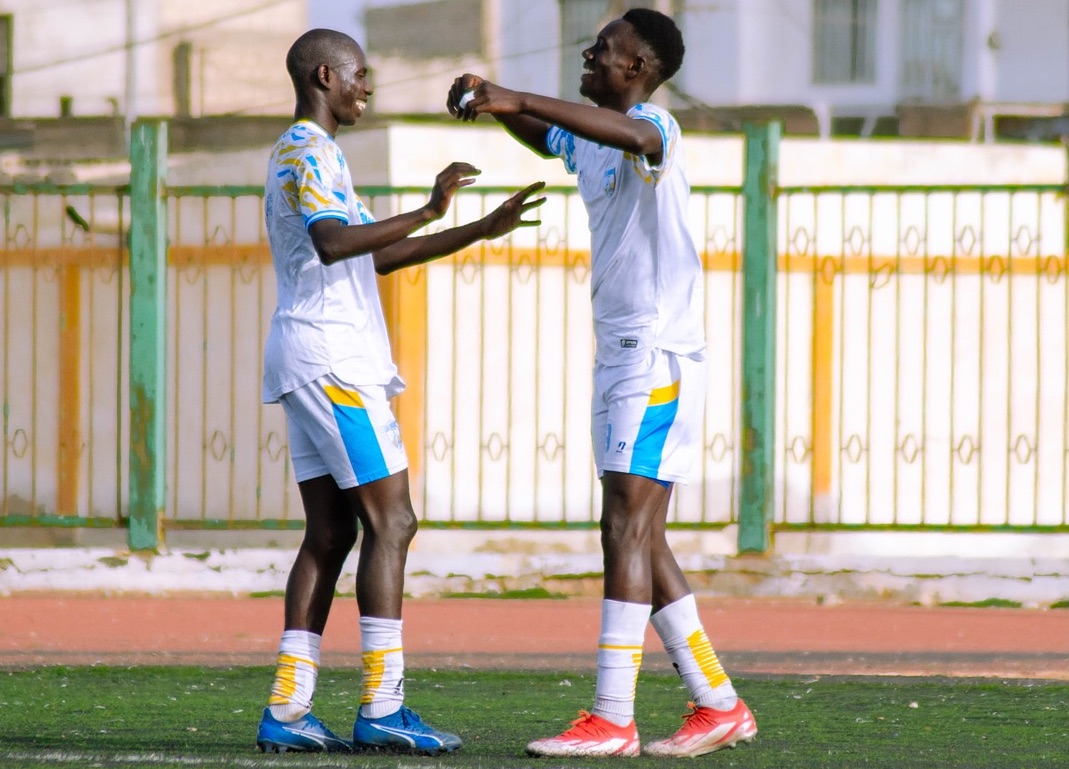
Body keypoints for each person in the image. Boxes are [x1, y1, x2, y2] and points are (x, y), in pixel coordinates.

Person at [447, 8, 756, 759]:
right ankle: (716, 701)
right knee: (638, 534)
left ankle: (612, 716)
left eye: (604, 49)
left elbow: (624, 136)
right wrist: (499, 110)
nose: (589, 54)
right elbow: (554, 137)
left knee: (624, 525)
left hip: (656, 355)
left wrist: (508, 94)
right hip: (620, 353)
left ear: (637, 69)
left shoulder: (654, 128)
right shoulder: (589, 134)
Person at [255, 28, 544, 756]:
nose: (368, 88)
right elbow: (331, 242)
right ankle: (383, 705)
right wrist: (427, 207)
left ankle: (288, 709)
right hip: (334, 362)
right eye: (360, 76)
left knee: (332, 532)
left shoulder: (318, 154)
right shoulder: (306, 151)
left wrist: (477, 226)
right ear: (326, 74)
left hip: (312, 354)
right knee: (395, 521)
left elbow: (374, 254)